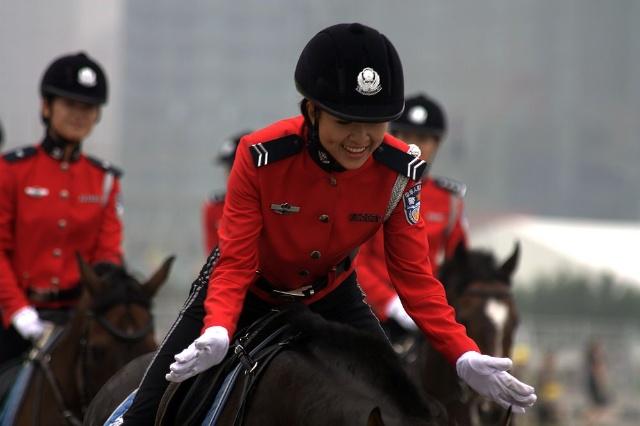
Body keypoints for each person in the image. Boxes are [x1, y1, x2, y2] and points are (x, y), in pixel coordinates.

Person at [120, 23, 536, 424]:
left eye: (374, 123)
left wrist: (462, 354)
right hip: (246, 290)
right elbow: (235, 263)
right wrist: (217, 329)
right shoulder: (260, 156)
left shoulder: (402, 171)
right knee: (148, 411)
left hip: (333, 295)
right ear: (312, 111)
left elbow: (415, 277)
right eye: (345, 122)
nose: (360, 139)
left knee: (402, 406)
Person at [0, 52, 124, 364]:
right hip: (13, 317)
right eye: (70, 104)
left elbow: (107, 255)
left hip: (77, 321)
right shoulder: (11, 170)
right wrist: (17, 310)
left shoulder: (105, 180)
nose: (79, 115)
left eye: (88, 108)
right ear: (46, 106)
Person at [356, 93, 469, 331]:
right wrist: (389, 303)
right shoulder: (368, 189)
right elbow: (355, 260)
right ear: (391, 137)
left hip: (425, 316)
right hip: (368, 312)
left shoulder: (449, 202)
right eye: (405, 135)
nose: (414, 145)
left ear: (437, 144)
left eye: (423, 138)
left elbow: (457, 267)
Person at [201, 131, 249, 255]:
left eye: (235, 167)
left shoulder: (275, 204)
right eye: (228, 168)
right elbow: (214, 258)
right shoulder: (215, 207)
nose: (229, 174)